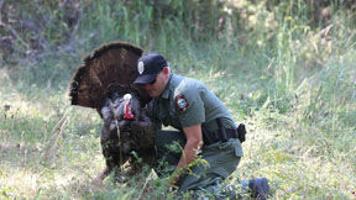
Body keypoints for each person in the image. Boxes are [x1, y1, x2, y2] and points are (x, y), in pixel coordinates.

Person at [134, 52, 269, 199]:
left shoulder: (183, 92)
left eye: (151, 81)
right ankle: (197, 183)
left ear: (166, 72)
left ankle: (249, 187)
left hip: (222, 148)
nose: (147, 87)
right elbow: (148, 138)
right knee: (149, 140)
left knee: (188, 196)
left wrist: (169, 184)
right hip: (200, 147)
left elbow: (195, 142)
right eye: (143, 83)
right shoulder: (157, 99)